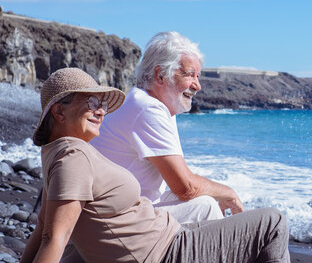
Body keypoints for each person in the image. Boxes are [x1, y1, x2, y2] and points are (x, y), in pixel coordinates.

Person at [20, 67, 289, 263]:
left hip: (165, 235)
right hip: (163, 253)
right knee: (273, 223)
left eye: (101, 103)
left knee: (210, 210)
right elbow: (52, 238)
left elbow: (43, 225)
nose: (101, 111)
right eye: (92, 102)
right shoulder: (72, 157)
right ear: (59, 111)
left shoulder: (58, 152)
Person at [90, 32, 241, 224]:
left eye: (198, 76)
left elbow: (181, 186)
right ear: (160, 75)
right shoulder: (147, 108)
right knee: (206, 206)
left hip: (118, 210)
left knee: (205, 200)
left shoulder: (153, 106)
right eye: (189, 75)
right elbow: (185, 187)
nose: (198, 85)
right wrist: (230, 194)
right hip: (114, 220)